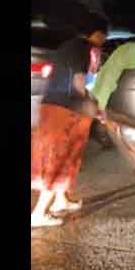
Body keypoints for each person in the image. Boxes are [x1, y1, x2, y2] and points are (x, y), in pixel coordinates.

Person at [31, 15, 107, 227]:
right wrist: (91, 104)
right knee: (59, 159)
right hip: (64, 110)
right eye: (104, 35)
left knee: (68, 156)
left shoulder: (69, 46)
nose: (104, 39)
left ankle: (60, 200)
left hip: (57, 106)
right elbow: (78, 81)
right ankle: (38, 213)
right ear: (96, 33)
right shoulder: (82, 48)